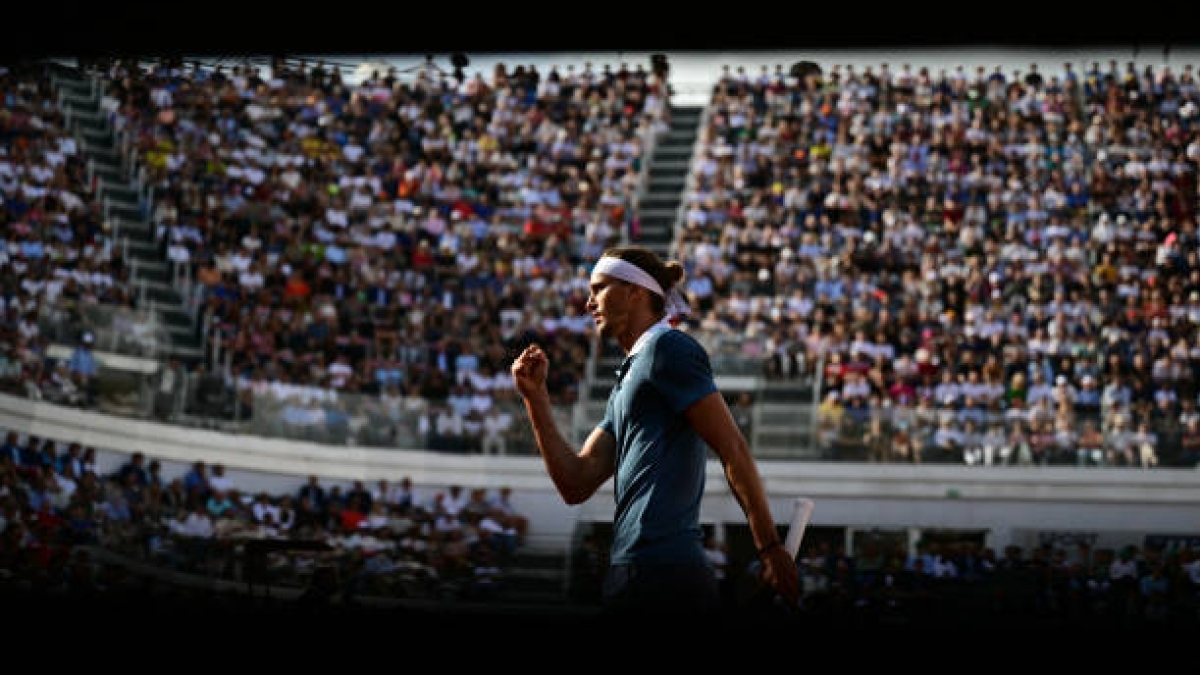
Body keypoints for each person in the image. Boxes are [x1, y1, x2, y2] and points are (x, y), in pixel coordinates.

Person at [511, 245, 800, 618]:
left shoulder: (668, 348)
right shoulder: (630, 373)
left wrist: (769, 548)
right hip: (633, 570)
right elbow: (575, 482)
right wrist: (536, 400)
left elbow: (733, 448)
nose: (588, 303)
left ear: (634, 291)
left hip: (665, 574)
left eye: (599, 289)